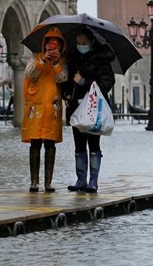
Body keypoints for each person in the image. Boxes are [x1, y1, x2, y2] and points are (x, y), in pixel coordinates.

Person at [63, 28, 117, 193]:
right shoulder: (72, 58)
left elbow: (107, 81)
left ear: (91, 42)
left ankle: (93, 181)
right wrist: (66, 93)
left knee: (93, 144)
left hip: (95, 108)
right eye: (79, 43)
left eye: (84, 43)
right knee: (79, 145)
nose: (81, 46)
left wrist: (84, 82)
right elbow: (67, 81)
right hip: (75, 106)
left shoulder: (100, 59)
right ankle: (81, 180)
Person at [21, 27, 68, 193]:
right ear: (45, 45)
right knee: (35, 143)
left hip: (52, 107)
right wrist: (43, 62)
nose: (52, 48)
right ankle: (34, 181)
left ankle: (48, 182)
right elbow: (30, 74)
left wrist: (55, 63)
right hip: (36, 105)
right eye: (50, 44)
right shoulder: (35, 57)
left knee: (50, 143)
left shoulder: (62, 61)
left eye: (56, 45)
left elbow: (62, 78)